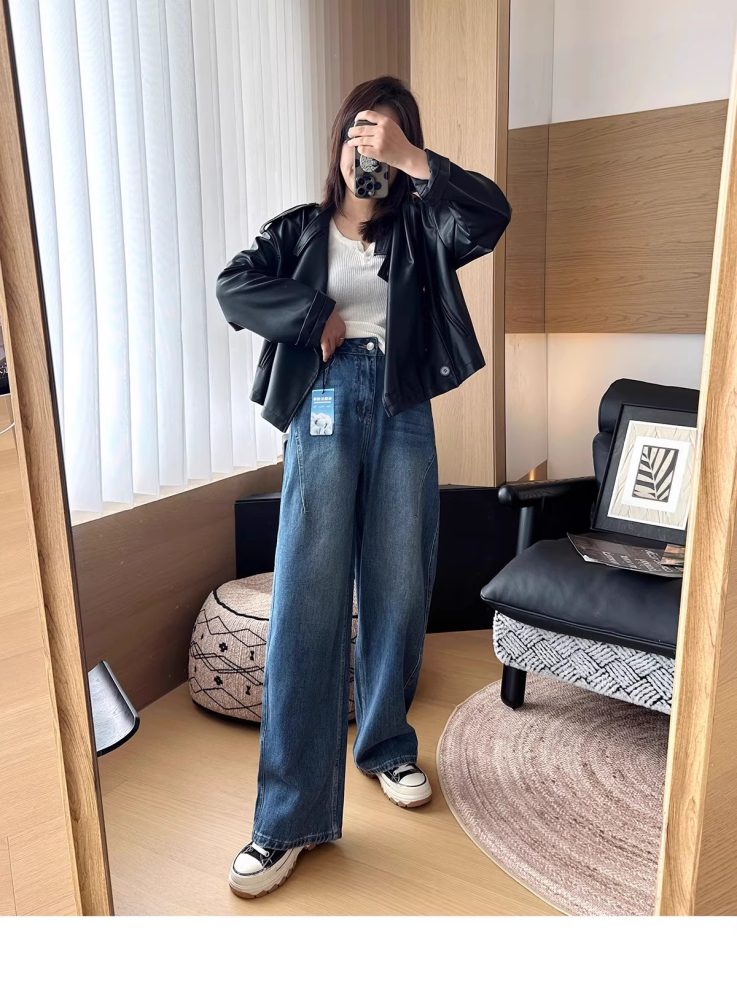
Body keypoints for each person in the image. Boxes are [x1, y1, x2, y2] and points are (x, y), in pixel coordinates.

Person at [215, 75, 511, 899]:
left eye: (381, 134)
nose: (365, 148)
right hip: (324, 401)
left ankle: (384, 746)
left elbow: (489, 215)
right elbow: (234, 286)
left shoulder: (423, 226)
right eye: (356, 131)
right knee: (308, 597)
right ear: (338, 143)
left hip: (402, 408)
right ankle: (287, 818)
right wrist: (314, 317)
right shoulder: (298, 230)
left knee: (398, 584)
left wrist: (414, 159)